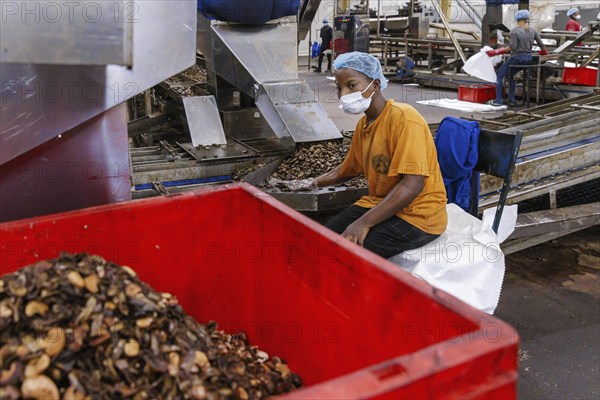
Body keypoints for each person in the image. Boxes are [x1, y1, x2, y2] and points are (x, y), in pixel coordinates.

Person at [273, 52, 448, 259]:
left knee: (349, 253)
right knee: (323, 238)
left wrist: (364, 223)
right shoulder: (364, 125)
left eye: (352, 85)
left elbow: (412, 185)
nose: (344, 94)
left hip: (418, 215)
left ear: (374, 84)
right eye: (339, 88)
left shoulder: (404, 119)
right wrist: (312, 182)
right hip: (379, 202)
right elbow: (346, 170)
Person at [487, 10, 548, 106]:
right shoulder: (533, 30)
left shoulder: (515, 31)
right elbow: (542, 46)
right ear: (527, 19)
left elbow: (512, 47)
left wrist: (496, 51)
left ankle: (498, 100)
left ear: (517, 19)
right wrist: (543, 52)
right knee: (510, 75)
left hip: (517, 58)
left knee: (498, 76)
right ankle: (512, 100)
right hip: (528, 59)